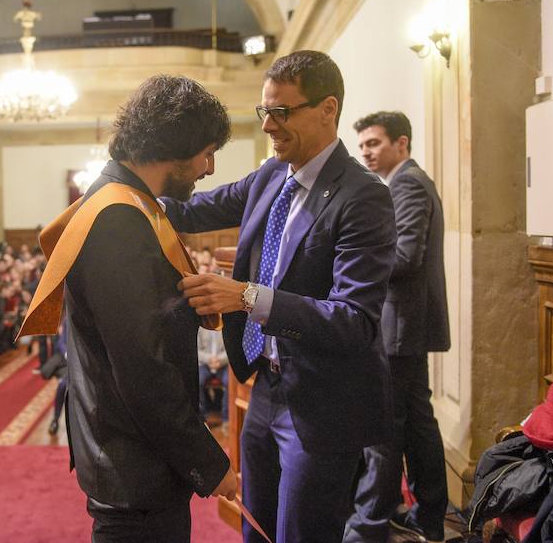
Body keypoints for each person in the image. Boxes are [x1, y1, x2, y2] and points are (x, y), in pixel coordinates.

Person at [162, 50, 397, 543]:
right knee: (258, 530)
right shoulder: (271, 176)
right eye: (264, 112)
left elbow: (353, 320)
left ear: (327, 109)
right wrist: (124, 188)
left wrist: (246, 296)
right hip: (263, 388)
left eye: (282, 112)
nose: (268, 126)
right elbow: (190, 210)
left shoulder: (364, 196)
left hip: (321, 401)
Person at [21, 75, 236, 543]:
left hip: (134, 450)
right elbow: (143, 369)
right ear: (177, 147)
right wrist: (208, 461)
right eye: (207, 152)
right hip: (134, 462)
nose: (209, 167)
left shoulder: (129, 203)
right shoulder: (118, 218)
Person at [344, 111, 451, 543]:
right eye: (363, 145)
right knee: (415, 423)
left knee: (387, 426)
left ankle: (372, 521)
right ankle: (426, 518)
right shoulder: (404, 181)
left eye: (374, 143)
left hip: (401, 326)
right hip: (404, 324)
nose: (366, 151)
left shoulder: (407, 182)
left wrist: (352, 264)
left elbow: (405, 256)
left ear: (401, 144)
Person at [197, 326, 228, 424]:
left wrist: (220, 360)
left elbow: (230, 349)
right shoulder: (201, 328)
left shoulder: (225, 327)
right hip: (205, 364)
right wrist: (209, 359)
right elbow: (196, 350)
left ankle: (226, 418)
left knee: (229, 382)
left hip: (222, 364)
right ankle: (203, 416)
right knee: (197, 381)